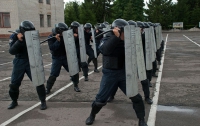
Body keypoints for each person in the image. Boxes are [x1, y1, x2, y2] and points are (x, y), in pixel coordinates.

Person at [85, 19, 148, 126]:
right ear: (117, 30)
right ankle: (92, 115)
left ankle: (141, 119)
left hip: (124, 74)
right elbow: (105, 50)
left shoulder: (129, 41)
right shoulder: (107, 39)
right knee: (100, 100)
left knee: (136, 97)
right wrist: (116, 37)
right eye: (124, 32)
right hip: (110, 74)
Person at [107, 21, 153, 105]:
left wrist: (138, 34)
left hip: (138, 60)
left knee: (144, 80)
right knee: (117, 81)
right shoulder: (123, 38)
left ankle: (147, 97)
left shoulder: (141, 36)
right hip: (126, 62)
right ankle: (111, 95)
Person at [8, 20, 47, 110]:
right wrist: (19, 40)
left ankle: (43, 101)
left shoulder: (33, 35)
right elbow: (11, 51)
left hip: (31, 61)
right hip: (19, 62)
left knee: (39, 82)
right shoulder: (14, 36)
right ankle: (14, 101)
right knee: (14, 84)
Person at [46, 22, 81, 94]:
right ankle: (48, 88)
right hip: (56, 58)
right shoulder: (51, 37)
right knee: (53, 74)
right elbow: (52, 48)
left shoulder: (66, 36)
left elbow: (72, 45)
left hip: (65, 57)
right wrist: (58, 41)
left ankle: (76, 85)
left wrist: (74, 38)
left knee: (74, 71)